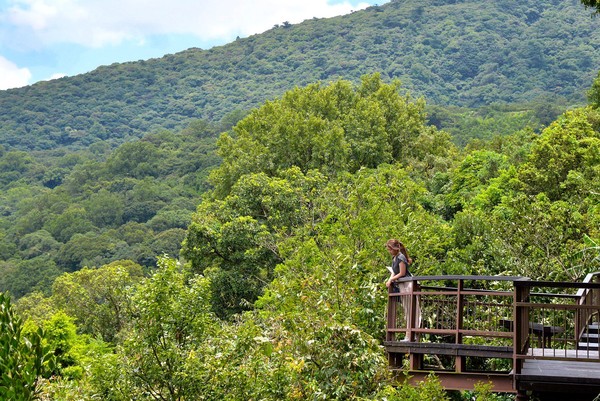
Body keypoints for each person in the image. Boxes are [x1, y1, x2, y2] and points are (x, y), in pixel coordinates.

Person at [385, 239, 421, 340]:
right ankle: (409, 335)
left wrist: (392, 279)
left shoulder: (401, 257)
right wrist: (389, 280)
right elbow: (393, 272)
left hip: (407, 285)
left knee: (411, 310)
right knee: (407, 310)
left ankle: (411, 335)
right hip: (402, 286)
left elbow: (402, 273)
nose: (389, 251)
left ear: (395, 248)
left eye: (390, 249)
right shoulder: (395, 258)